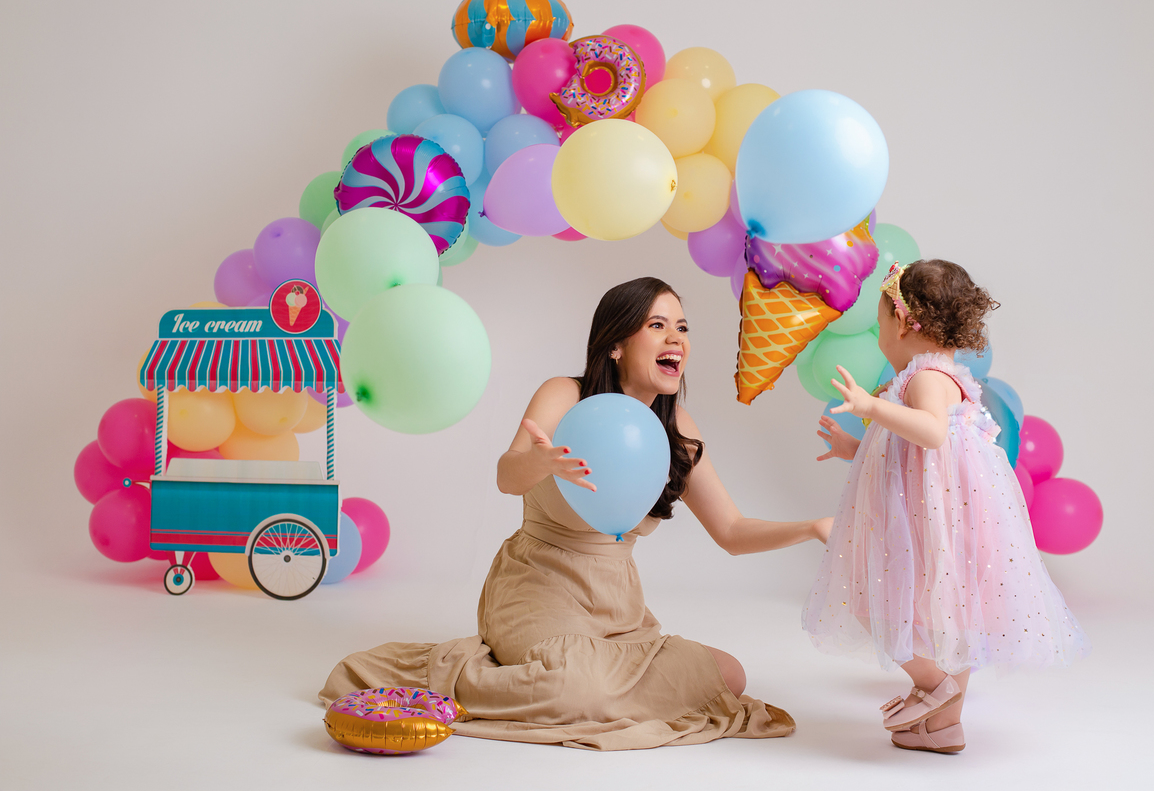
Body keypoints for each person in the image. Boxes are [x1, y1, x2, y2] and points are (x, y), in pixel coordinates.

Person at [320, 277, 832, 751]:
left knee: (729, 675)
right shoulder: (565, 395)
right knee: (577, 684)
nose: (675, 338)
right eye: (657, 325)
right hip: (537, 589)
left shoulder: (677, 426)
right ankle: (446, 676)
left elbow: (732, 531)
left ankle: (596, 685)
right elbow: (506, 476)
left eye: (681, 327)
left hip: (616, 608)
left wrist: (811, 528)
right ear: (617, 344)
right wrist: (541, 462)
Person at [805, 259, 1090, 753]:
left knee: (881, 600)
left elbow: (933, 433)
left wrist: (869, 407)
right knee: (948, 613)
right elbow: (908, 443)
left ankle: (935, 686)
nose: (879, 333)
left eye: (880, 321)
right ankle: (942, 727)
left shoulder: (926, 378)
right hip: (939, 510)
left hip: (927, 515)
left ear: (902, 322)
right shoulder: (938, 375)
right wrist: (858, 447)